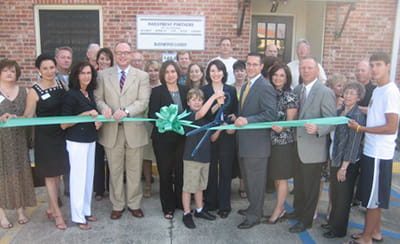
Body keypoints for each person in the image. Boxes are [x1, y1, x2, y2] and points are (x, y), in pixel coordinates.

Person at [347, 52, 400, 244]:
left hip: (379, 153)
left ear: (388, 66)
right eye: (373, 65)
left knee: (372, 201)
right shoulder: (378, 90)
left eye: (378, 65)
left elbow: (391, 126)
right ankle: (375, 232)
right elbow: (376, 112)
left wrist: (361, 128)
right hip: (370, 150)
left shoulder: (391, 92)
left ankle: (366, 238)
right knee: (372, 197)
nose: (375, 69)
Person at [94, 42, 151, 220]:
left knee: (134, 170)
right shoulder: (102, 75)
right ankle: (117, 205)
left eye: (126, 53)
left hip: (134, 130)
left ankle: (134, 204)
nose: (122, 56)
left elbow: (143, 101)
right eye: (119, 53)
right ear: (115, 55)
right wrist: (104, 109)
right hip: (111, 130)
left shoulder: (142, 76)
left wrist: (126, 111)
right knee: (115, 170)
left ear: (131, 54)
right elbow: (98, 97)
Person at [286, 56, 336, 233]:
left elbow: (332, 120)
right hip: (297, 147)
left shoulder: (325, 92)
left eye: (309, 68)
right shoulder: (298, 89)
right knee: (299, 185)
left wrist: (318, 128)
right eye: (302, 68)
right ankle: (298, 212)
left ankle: (306, 220)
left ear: (316, 70)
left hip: (313, 148)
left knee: (311, 187)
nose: (305, 71)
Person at [24, 54, 69, 230]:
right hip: (45, 138)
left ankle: (51, 207)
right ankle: (57, 213)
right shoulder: (34, 91)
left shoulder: (61, 84)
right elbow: (28, 115)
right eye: (45, 68)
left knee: (58, 174)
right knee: (50, 176)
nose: (49, 71)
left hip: (61, 135)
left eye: (52, 67)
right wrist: (13, 118)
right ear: (38, 71)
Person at [235, 53, 277, 229]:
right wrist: (236, 117)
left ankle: (254, 216)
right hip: (245, 143)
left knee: (256, 183)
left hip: (257, 146)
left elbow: (270, 114)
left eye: (254, 64)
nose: (250, 67)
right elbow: (246, 110)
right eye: (248, 64)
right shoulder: (247, 85)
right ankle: (253, 207)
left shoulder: (265, 86)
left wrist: (247, 121)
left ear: (261, 67)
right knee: (249, 180)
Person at [322, 81, 366, 239]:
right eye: (346, 92)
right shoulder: (340, 110)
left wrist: (344, 167)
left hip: (346, 162)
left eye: (352, 93)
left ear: (359, 97)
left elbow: (353, 145)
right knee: (335, 194)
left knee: (343, 198)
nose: (348, 96)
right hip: (336, 157)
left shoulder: (356, 116)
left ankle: (338, 230)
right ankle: (332, 222)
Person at [61, 61, 101, 230]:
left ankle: (86, 210)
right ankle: (77, 217)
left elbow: (93, 115)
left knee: (87, 178)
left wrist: (98, 121)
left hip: (90, 140)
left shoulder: (89, 93)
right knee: (78, 179)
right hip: (76, 141)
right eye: (83, 73)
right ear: (76, 76)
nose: (86, 76)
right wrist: (85, 114)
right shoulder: (71, 95)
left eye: (89, 73)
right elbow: (64, 123)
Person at [148, 60, 189, 220]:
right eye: (167, 72)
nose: (170, 75)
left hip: (182, 139)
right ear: (163, 75)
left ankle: (180, 202)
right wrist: (166, 123)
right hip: (163, 139)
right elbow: (151, 116)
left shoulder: (186, 90)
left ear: (178, 73)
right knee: (165, 174)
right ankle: (168, 207)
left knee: (180, 172)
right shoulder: (157, 91)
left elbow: (191, 113)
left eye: (173, 71)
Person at [181, 88, 227, 229]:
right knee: (189, 187)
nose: (197, 102)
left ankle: (199, 210)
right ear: (188, 102)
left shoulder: (205, 119)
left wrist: (220, 128)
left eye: (200, 100)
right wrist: (214, 96)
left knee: (200, 186)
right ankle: (187, 213)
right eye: (193, 99)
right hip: (192, 158)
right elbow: (201, 112)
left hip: (204, 158)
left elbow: (212, 138)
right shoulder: (189, 116)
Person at [0, 59, 36, 229]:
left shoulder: (24, 91)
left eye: (13, 71)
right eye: (6, 70)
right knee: (2, 176)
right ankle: (2, 214)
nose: (9, 73)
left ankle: (21, 211)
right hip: (1, 141)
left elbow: (29, 115)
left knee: (20, 174)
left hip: (19, 140)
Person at [201, 59, 238, 218]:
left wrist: (230, 125)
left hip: (227, 135)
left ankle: (224, 205)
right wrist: (217, 103)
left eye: (219, 70)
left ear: (224, 72)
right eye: (212, 71)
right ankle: (210, 202)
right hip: (210, 135)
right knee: (210, 170)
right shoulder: (204, 90)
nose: (216, 74)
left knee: (225, 170)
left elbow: (235, 112)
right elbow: (204, 115)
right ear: (208, 74)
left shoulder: (230, 89)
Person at [265, 63, 298, 224]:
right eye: (275, 75)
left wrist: (281, 127)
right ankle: (281, 207)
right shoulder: (270, 94)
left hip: (283, 142)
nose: (278, 78)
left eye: (281, 75)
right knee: (276, 178)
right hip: (269, 142)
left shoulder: (289, 96)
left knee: (281, 178)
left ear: (287, 79)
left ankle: (279, 209)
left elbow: (291, 123)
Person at [93, 47, 113, 201]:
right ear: (97, 60)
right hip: (97, 120)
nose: (104, 61)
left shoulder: (114, 77)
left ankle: (111, 187)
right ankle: (99, 189)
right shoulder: (92, 75)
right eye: (102, 58)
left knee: (112, 158)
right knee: (98, 157)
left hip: (112, 120)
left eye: (107, 59)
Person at [142, 60, 162, 198]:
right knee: (146, 157)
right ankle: (148, 184)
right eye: (150, 70)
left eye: (155, 70)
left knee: (162, 157)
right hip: (145, 124)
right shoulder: (143, 87)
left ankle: (164, 185)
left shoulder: (164, 86)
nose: (153, 73)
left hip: (161, 125)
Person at [231, 60, 246, 198]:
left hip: (245, 127)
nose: (239, 73)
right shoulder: (229, 88)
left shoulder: (250, 87)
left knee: (242, 156)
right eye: (237, 71)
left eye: (242, 70)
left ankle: (243, 186)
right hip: (231, 127)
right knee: (232, 156)